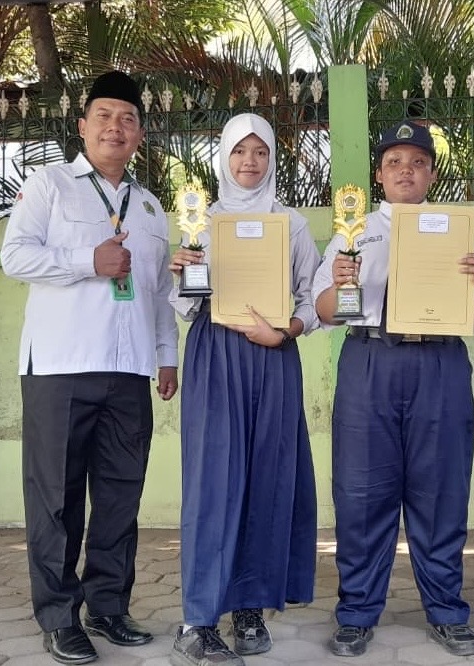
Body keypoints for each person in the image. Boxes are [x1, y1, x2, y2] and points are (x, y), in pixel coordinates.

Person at [0, 70, 179, 665]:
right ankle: (58, 616)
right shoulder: (50, 184)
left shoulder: (151, 206)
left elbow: (155, 293)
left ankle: (108, 606)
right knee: (56, 497)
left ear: (140, 134)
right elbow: (15, 255)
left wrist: (166, 358)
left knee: (121, 497)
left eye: (127, 119)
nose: (115, 127)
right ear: (83, 127)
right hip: (59, 367)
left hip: (129, 372)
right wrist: (88, 259)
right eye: (104, 116)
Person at [312, 120, 474, 658]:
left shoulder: (460, 232)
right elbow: (325, 312)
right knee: (361, 493)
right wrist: (341, 283)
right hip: (370, 361)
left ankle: (446, 612)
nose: (405, 172)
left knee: (440, 492)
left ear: (431, 173)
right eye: (394, 162)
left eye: (417, 162)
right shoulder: (356, 232)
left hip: (439, 365)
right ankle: (356, 612)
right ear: (379, 174)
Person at [168, 113, 319, 666]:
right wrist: (183, 268)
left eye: (260, 152)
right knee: (213, 481)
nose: (249, 163)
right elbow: (185, 308)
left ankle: (250, 608)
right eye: (239, 152)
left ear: (273, 158)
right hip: (216, 354)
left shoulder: (293, 224)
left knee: (267, 477)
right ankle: (198, 619)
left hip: (273, 356)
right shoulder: (200, 224)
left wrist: (285, 332)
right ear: (223, 158)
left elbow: (312, 300)